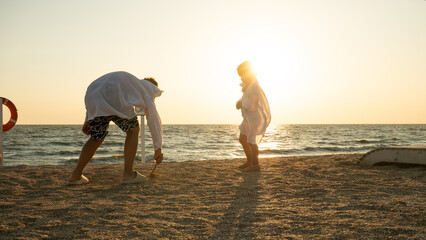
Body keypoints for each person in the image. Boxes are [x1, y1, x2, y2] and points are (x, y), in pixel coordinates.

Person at [68, 71, 164, 185]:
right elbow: (153, 120)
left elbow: (102, 91)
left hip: (92, 93)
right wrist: (158, 149)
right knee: (133, 130)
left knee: (96, 137)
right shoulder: (148, 89)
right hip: (114, 94)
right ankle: (128, 174)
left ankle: (76, 175)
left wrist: (88, 118)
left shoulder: (133, 83)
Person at [235, 61, 271, 172]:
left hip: (254, 118)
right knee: (243, 139)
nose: (241, 78)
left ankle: (255, 165)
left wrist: (242, 104)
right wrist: (239, 102)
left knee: (252, 141)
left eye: (242, 75)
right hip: (248, 118)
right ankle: (249, 161)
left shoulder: (254, 87)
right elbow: (245, 99)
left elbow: (252, 104)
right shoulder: (249, 86)